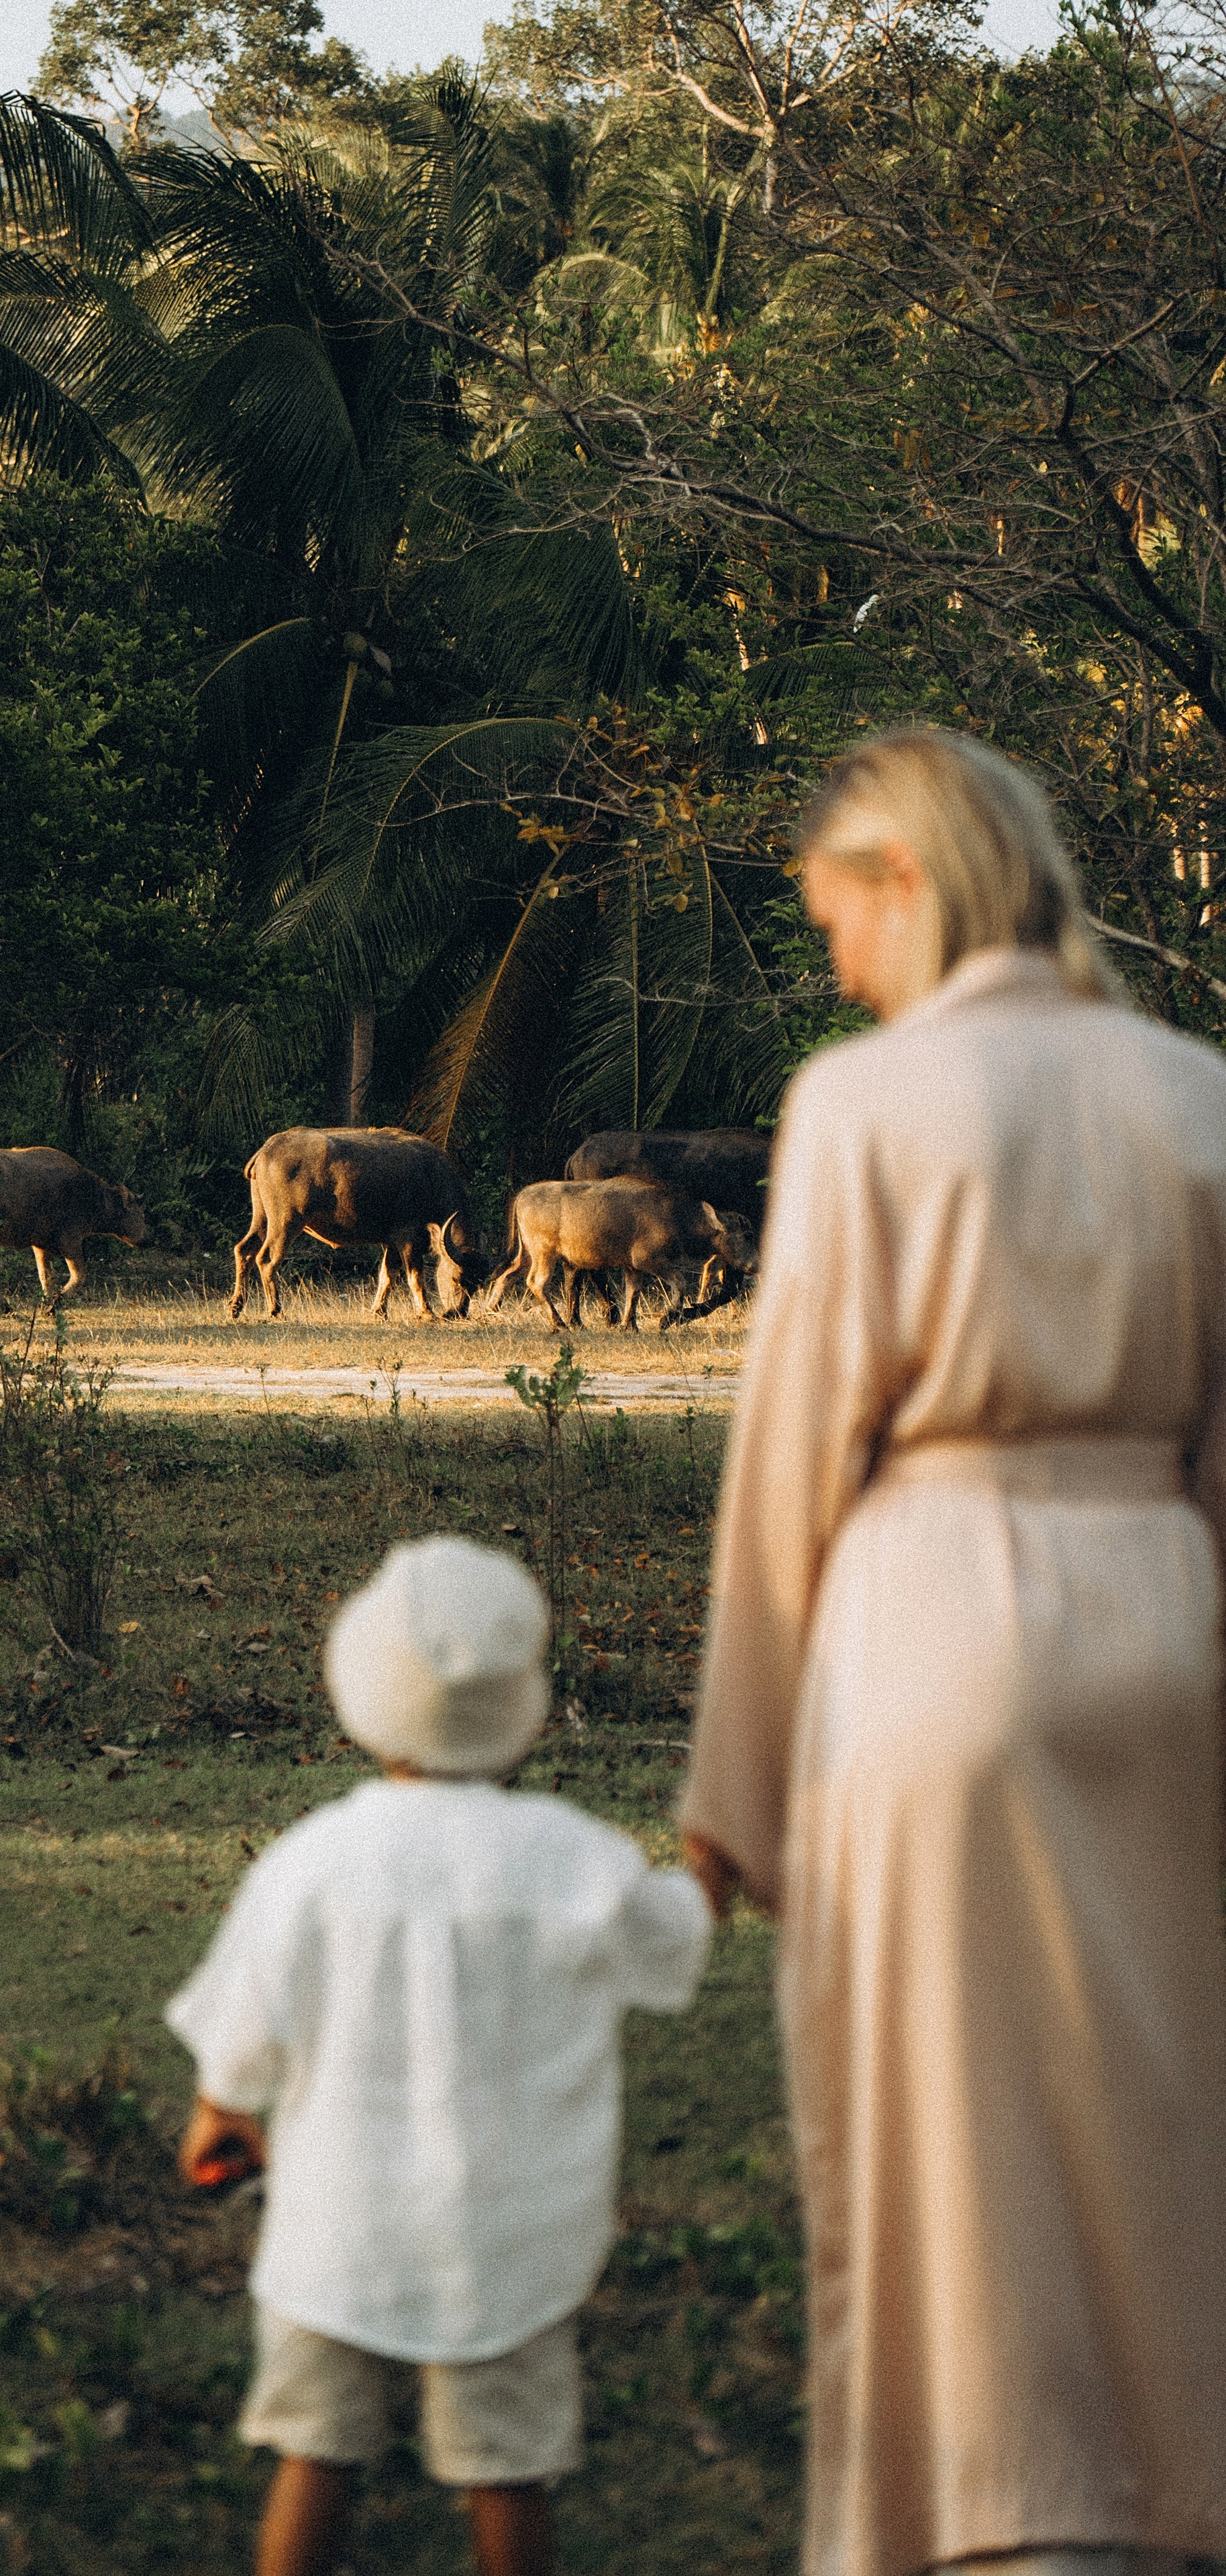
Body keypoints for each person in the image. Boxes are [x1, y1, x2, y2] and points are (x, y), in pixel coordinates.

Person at [682, 727, 1226, 2576]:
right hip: (1163, 1609)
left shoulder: (864, 1104)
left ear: (910, 886)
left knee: (943, 2104)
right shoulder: (1198, 1093)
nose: (837, 965)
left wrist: (731, 1788)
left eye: (839, 918)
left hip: (933, 1620)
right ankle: (1162, 2497)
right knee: (1160, 2081)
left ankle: (978, 2514)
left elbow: (791, 1459)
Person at [166, 1534, 712, 2576]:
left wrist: (221, 2116)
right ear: (524, 1706)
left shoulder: (311, 1863)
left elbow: (243, 2031)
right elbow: (675, 1939)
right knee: (507, 2472)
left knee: (313, 2456)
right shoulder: (572, 1858)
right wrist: (712, 1866)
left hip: (341, 2236)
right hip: (506, 2244)